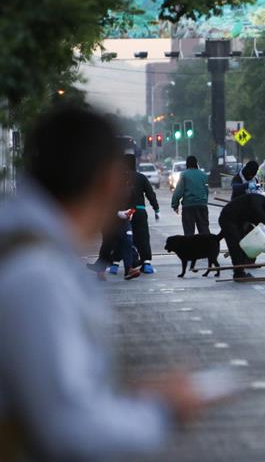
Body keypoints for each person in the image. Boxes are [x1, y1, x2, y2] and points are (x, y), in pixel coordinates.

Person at [0, 107, 206, 460]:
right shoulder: (38, 276)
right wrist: (160, 409)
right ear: (109, 181)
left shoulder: (24, 245)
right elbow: (68, 427)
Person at [218, 193, 265, 279]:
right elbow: (263, 224)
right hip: (228, 219)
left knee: (243, 243)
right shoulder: (258, 207)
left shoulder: (261, 201)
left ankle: (242, 267)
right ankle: (238, 273)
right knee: (236, 245)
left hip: (239, 221)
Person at [124, 154, 159, 274]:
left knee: (126, 238)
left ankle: (126, 262)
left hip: (125, 213)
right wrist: (156, 209)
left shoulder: (120, 179)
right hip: (140, 211)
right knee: (143, 237)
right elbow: (150, 194)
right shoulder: (141, 178)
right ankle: (146, 263)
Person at [171, 155, 210, 235]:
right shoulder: (203, 175)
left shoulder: (184, 175)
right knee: (204, 231)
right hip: (202, 206)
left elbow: (178, 191)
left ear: (187, 164)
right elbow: (206, 191)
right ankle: (207, 246)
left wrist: (175, 205)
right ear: (196, 163)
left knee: (189, 233)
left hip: (188, 207)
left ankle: (190, 247)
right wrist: (204, 201)